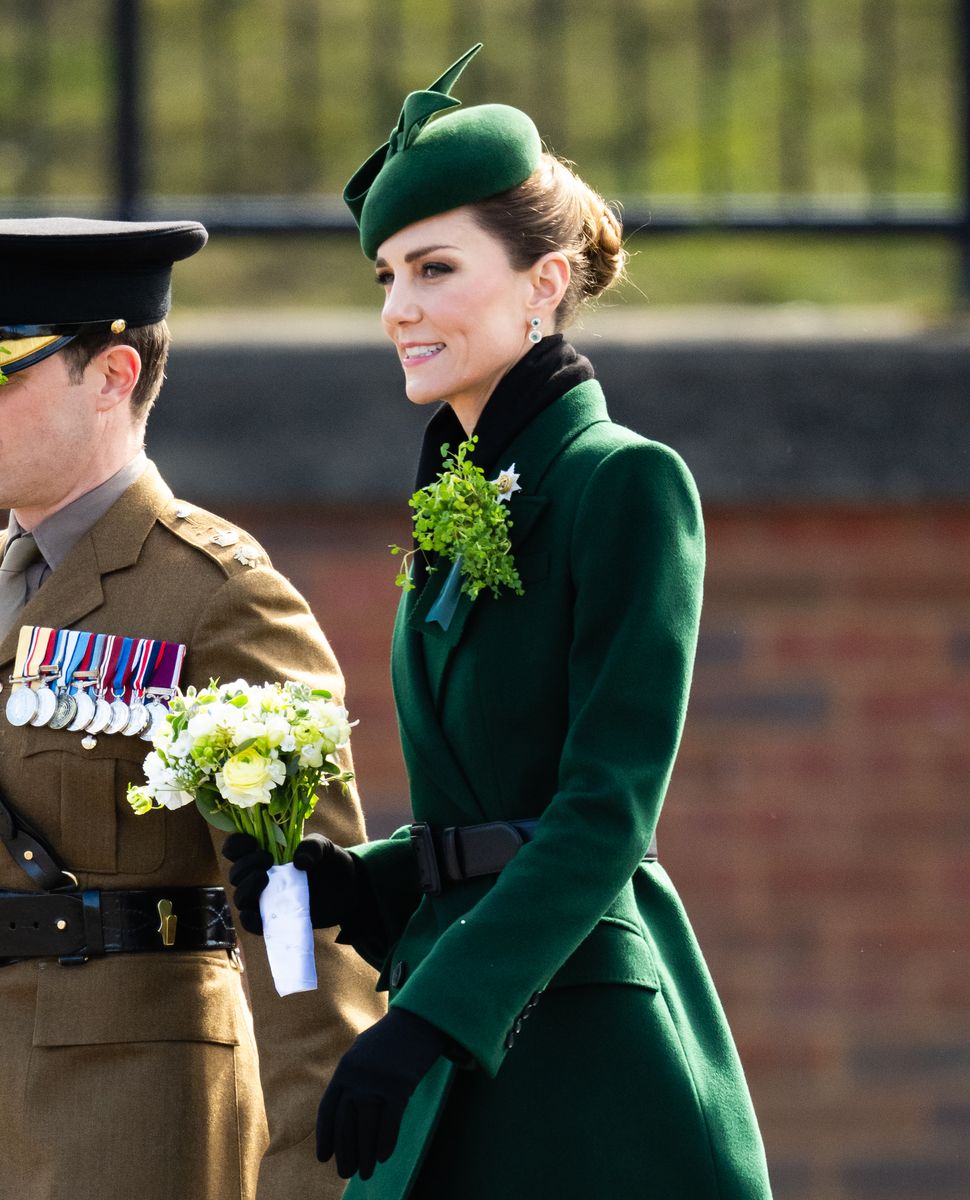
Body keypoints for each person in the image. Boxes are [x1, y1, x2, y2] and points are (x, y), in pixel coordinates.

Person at [228, 44, 773, 1199]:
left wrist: (425, 1020)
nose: (397, 309)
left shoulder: (622, 482)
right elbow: (484, 809)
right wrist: (363, 886)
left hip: (576, 1042)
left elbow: (602, 815)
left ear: (544, 281)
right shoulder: (463, 488)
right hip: (457, 1005)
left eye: (432, 268)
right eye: (383, 276)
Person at [0, 217, 385, 1200]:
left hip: (126, 1115)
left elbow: (304, 920)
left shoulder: (216, 596)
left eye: (4, 367)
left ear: (113, 374)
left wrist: (313, 1172)